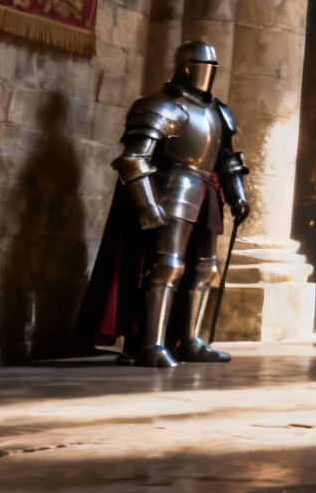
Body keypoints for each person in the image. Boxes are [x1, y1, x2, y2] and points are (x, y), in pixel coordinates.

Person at [74, 41, 252, 367]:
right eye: (202, 65)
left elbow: (227, 161)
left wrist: (238, 193)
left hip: (205, 190)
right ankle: (151, 343)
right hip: (173, 185)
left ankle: (192, 340)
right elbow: (134, 160)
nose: (207, 73)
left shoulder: (219, 112)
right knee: (168, 265)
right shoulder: (161, 106)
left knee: (205, 269)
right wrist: (148, 205)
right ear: (185, 66)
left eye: (213, 67)